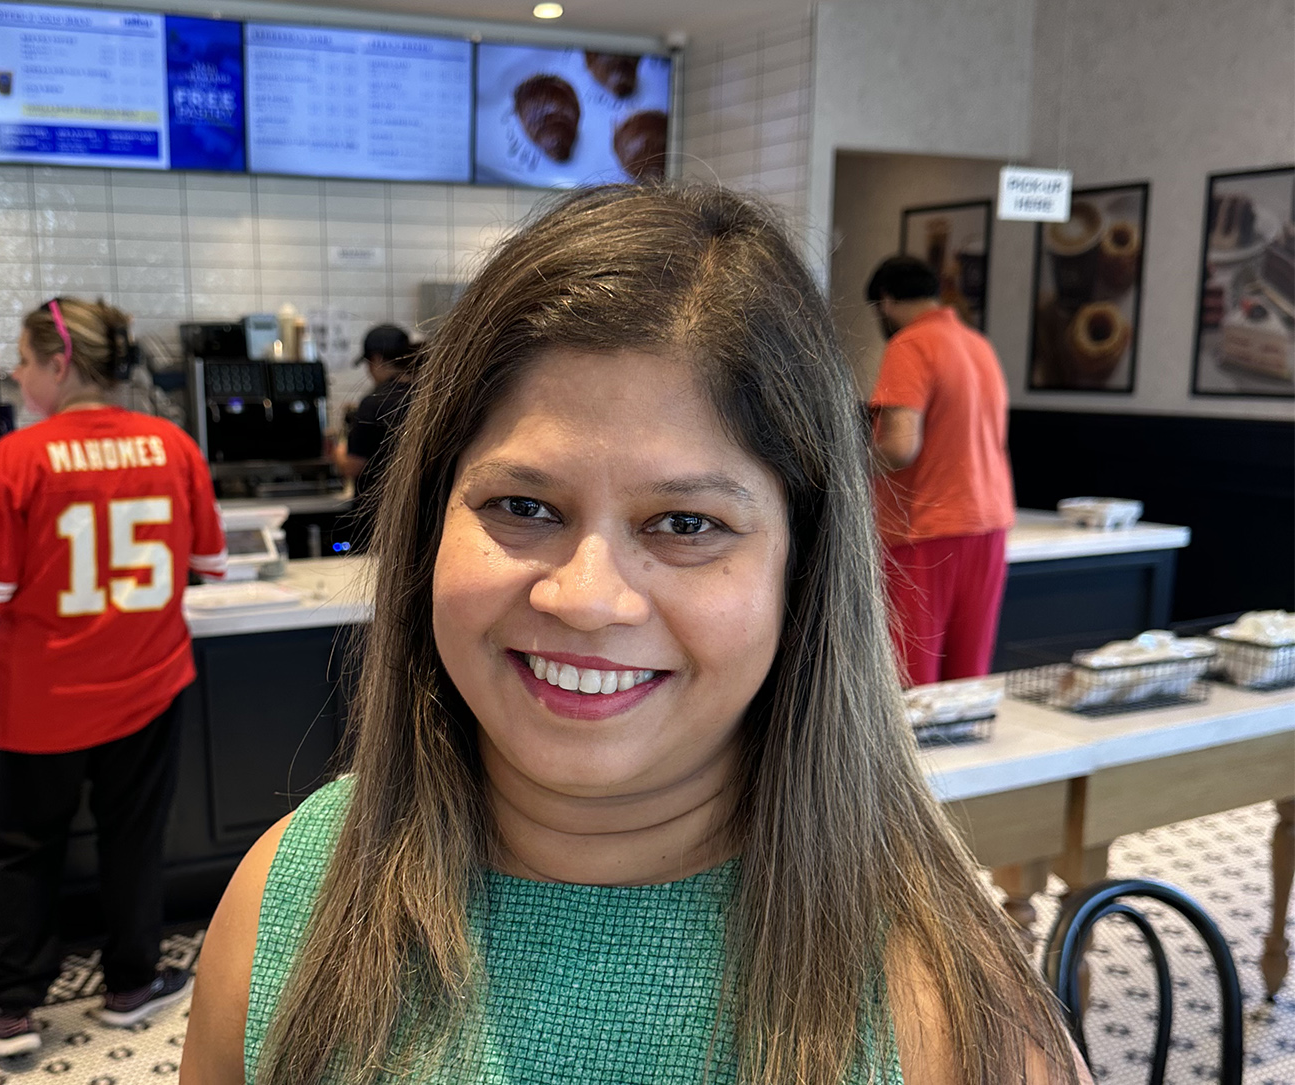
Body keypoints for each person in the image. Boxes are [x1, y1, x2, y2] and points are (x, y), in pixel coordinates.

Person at [179, 186, 1082, 1085]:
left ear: (801, 572)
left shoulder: (956, 1017)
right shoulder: (285, 899)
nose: (587, 598)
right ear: (427, 529)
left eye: (685, 523)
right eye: (522, 505)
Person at [0, 297, 227, 1059]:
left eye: (25, 359)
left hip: (42, 698)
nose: (16, 371)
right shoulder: (173, 445)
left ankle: (12, 1010)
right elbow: (207, 562)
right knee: (132, 837)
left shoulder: (17, 456)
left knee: (22, 846)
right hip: (147, 683)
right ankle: (132, 983)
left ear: (59, 363)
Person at [866, 255, 1016, 686]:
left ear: (887, 301)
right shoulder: (978, 345)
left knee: (914, 681)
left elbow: (898, 447)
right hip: (988, 526)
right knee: (967, 681)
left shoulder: (910, 345)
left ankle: (911, 760)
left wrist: (841, 469)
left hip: (926, 529)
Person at [329, 323, 418, 549]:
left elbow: (352, 466)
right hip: (419, 512)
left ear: (376, 359)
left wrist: (335, 449)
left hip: (377, 518)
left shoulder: (373, 403)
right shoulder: (428, 394)